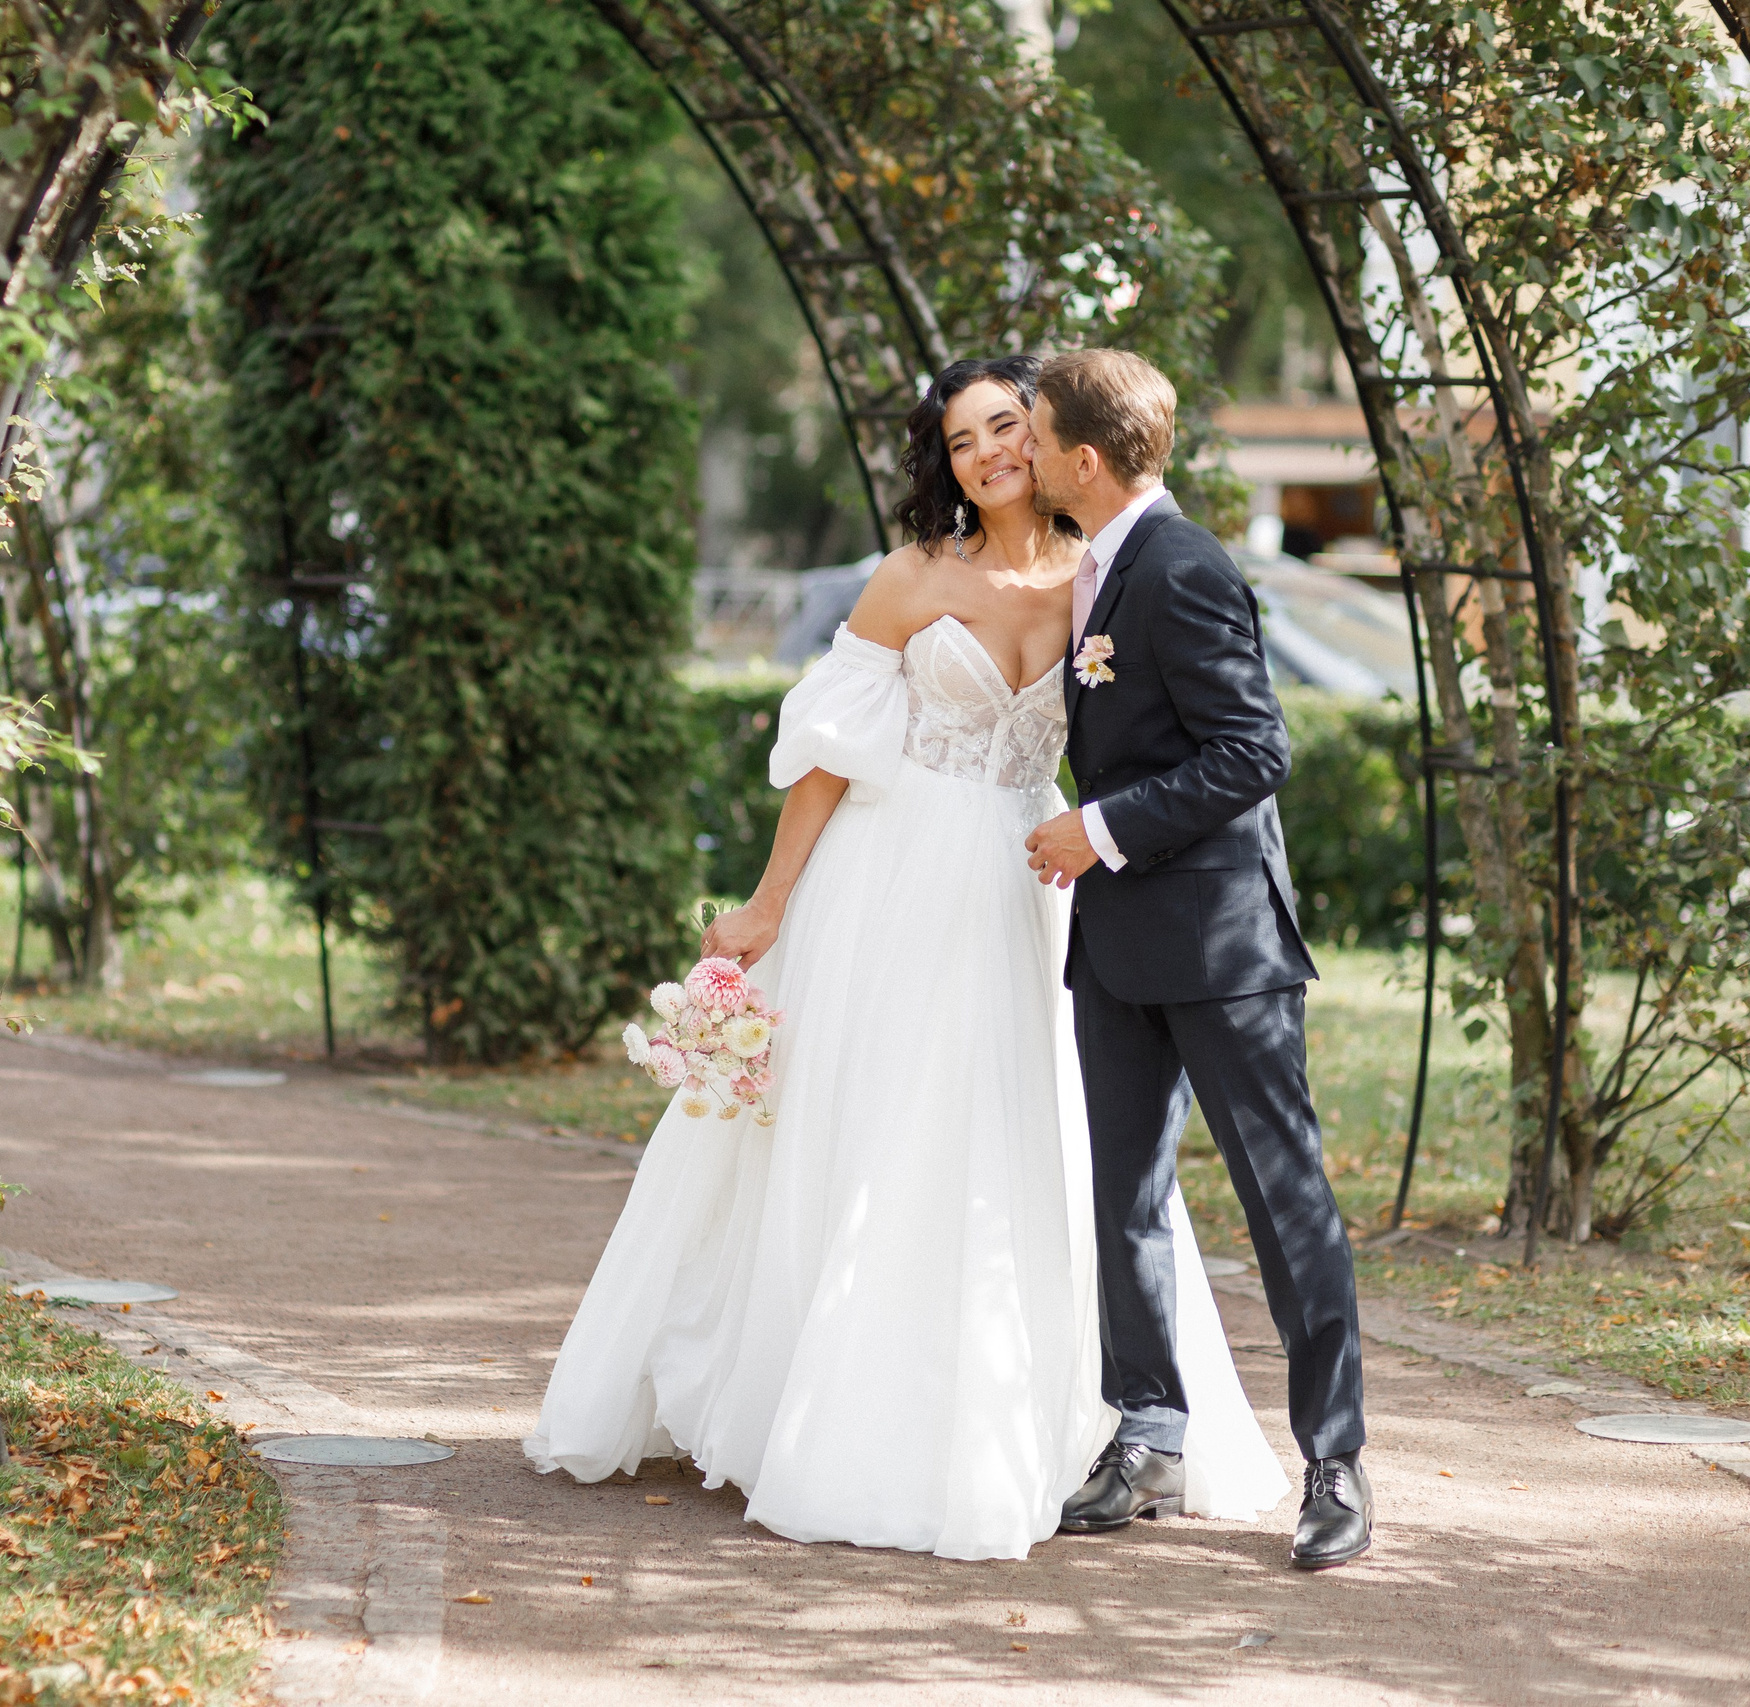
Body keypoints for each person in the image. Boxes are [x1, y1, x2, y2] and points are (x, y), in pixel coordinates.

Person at [522, 354, 1288, 1562]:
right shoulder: (913, 575)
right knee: (880, 1126)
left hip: (1030, 877)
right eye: (965, 439)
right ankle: (826, 1409)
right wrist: (770, 903)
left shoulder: (1109, 576)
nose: (990, 454)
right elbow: (831, 750)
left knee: (1030, 1135)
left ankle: (1091, 1418)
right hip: (893, 873)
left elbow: (1164, 737)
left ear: (1047, 440)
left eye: (1007, 428)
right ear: (945, 462)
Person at [1021, 348, 1372, 1570]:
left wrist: (1098, 830)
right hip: (1116, 952)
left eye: (1034, 435)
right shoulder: (1090, 569)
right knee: (1123, 1203)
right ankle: (1147, 1431)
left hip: (1221, 948)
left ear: (1084, 458)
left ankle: (1334, 1462)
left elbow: (1251, 752)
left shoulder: (1181, 568)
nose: (1016, 454)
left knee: (1286, 1207)